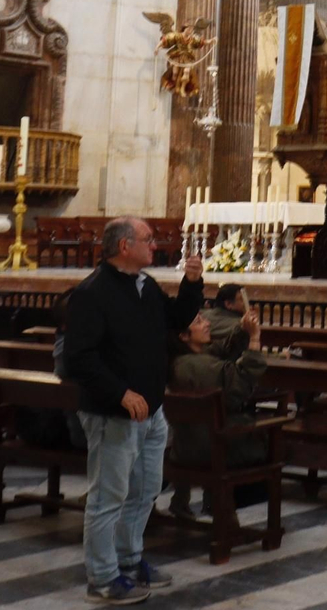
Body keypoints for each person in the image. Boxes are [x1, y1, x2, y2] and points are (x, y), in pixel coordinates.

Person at [64, 216, 204, 605]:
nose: (154, 245)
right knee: (108, 498)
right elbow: (79, 359)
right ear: (125, 246)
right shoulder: (92, 293)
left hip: (150, 410)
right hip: (113, 413)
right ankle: (103, 577)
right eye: (148, 239)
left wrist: (192, 284)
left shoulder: (144, 286)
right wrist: (121, 393)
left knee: (144, 491)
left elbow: (176, 321)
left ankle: (128, 560)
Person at [168, 307, 270, 519]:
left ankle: (197, 503)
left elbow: (219, 352)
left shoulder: (178, 360)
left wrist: (241, 330)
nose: (207, 323)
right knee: (275, 436)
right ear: (184, 336)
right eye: (198, 321)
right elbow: (241, 382)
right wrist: (254, 339)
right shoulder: (198, 366)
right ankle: (224, 512)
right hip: (219, 449)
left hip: (182, 446)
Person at [201, 284, 249, 356]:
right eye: (241, 299)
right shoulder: (241, 325)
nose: (245, 303)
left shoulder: (201, 316)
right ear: (228, 304)